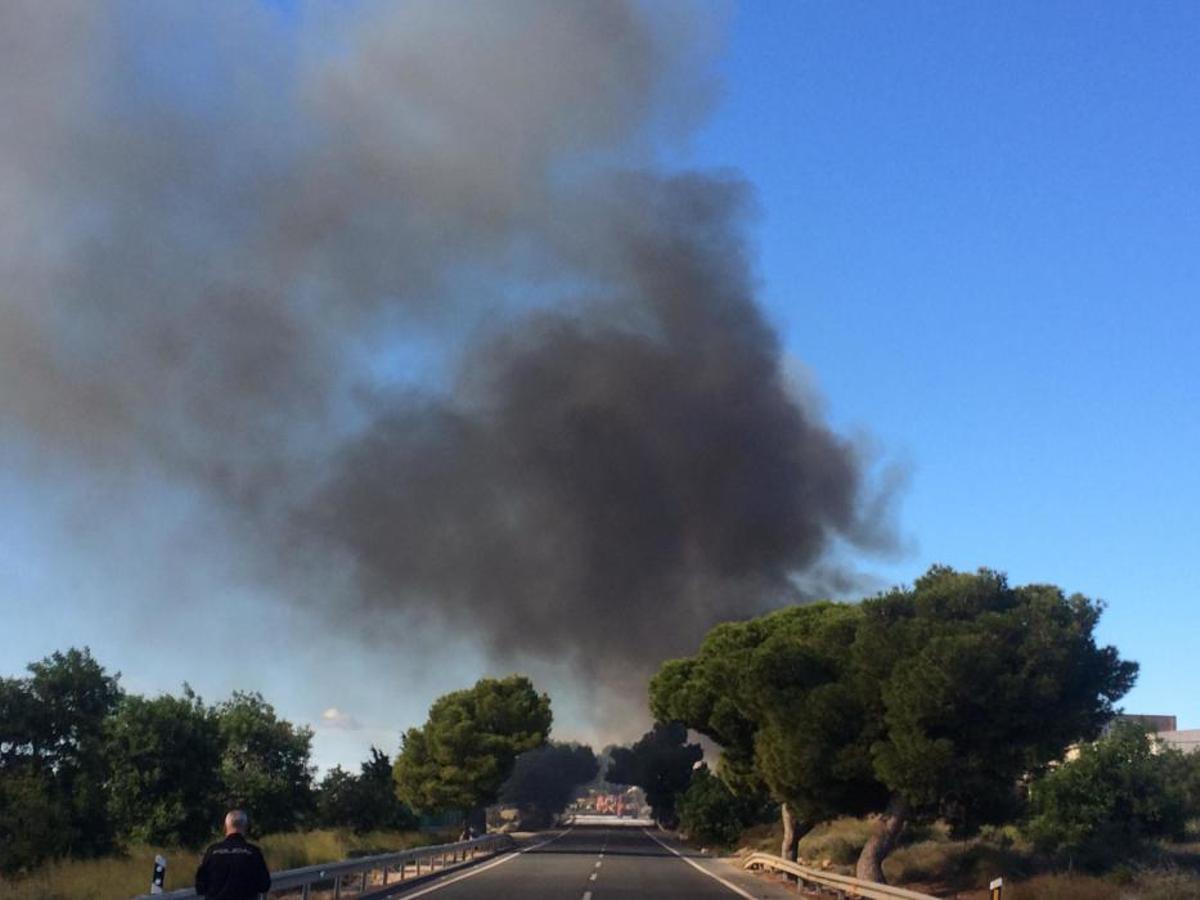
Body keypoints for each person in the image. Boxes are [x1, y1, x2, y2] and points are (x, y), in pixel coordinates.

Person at [195, 810, 272, 900]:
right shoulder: (253, 852)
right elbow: (264, 885)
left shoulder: (212, 851)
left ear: (225, 826)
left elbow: (200, 887)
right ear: (245, 827)